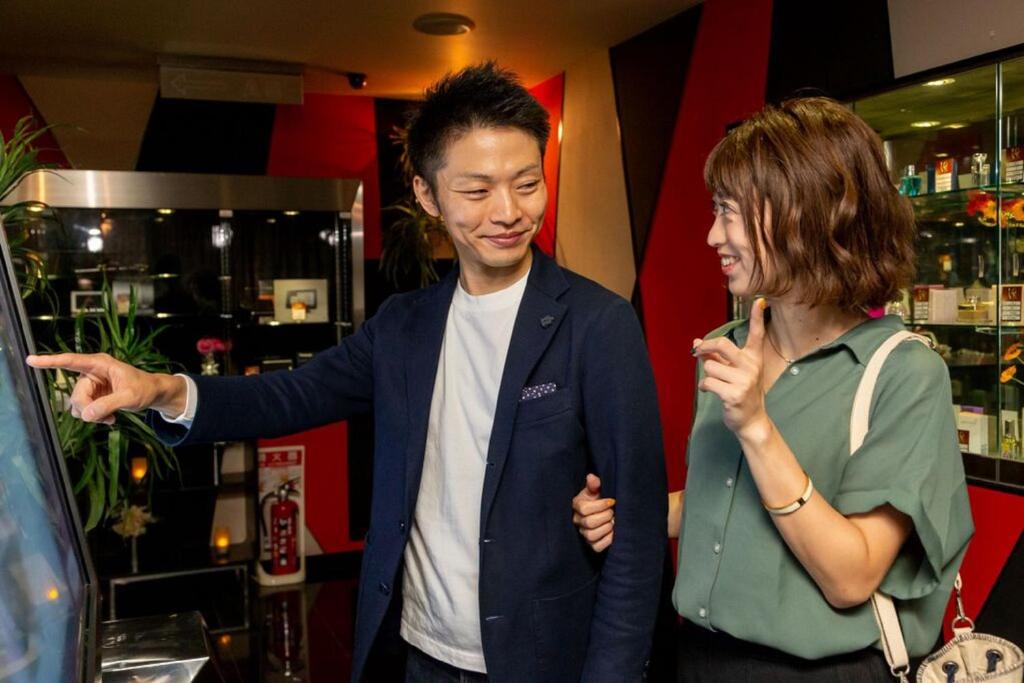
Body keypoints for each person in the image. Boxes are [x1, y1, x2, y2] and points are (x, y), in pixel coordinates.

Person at [27, 62, 667, 682]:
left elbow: (635, 535)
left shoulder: (597, 324)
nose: (508, 211)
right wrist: (161, 390)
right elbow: (288, 395)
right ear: (426, 193)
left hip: (542, 657)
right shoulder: (404, 326)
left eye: (527, 184)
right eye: (476, 190)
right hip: (419, 652)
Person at [573, 97, 974, 681]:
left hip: (825, 671)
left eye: (730, 212)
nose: (712, 235)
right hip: (702, 658)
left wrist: (757, 427)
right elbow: (721, 499)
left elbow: (852, 576)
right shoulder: (727, 347)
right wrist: (624, 513)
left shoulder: (903, 372)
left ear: (805, 215)